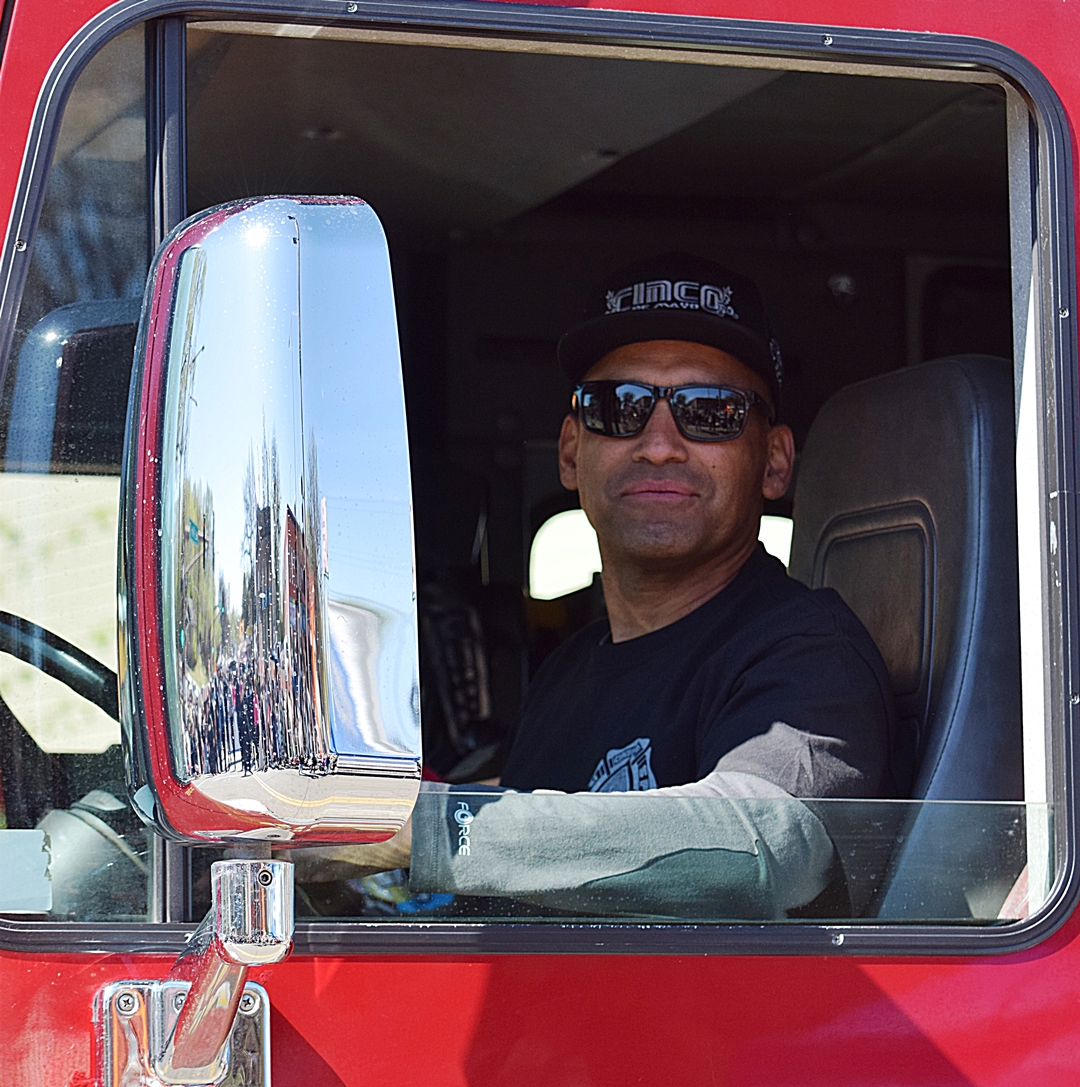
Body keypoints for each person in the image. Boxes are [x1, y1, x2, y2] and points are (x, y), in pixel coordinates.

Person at [294, 254, 901, 919]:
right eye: (620, 408)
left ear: (776, 461)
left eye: (712, 411)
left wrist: (425, 828)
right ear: (570, 451)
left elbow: (767, 845)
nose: (661, 443)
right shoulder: (570, 672)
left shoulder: (808, 656)